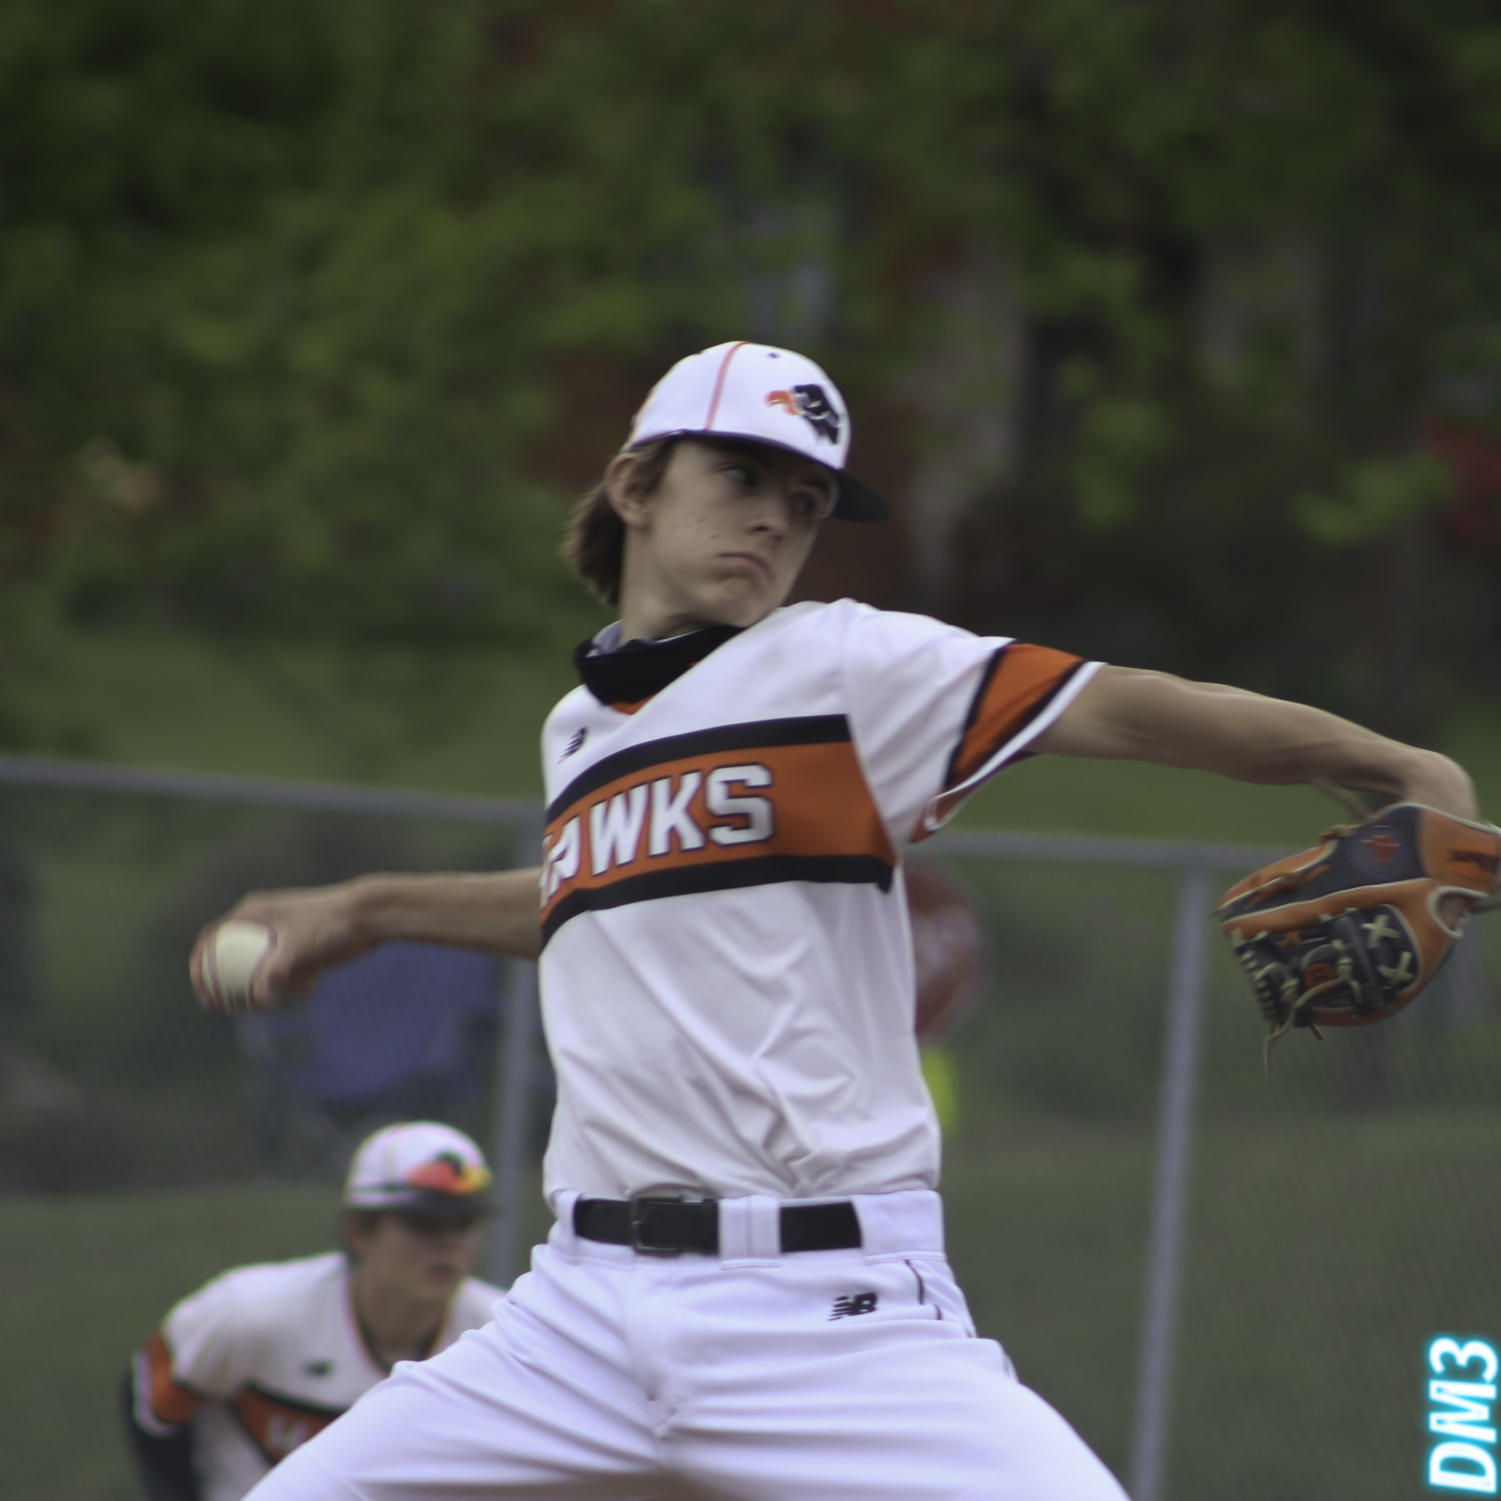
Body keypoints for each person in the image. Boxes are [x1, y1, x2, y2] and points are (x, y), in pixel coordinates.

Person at [190, 340, 1486, 1500]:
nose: (773, 519)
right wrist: (370, 906)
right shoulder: (581, 728)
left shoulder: (846, 666)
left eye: (802, 502)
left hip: (830, 1309)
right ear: (636, 484)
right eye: (741, 476)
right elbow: (599, 902)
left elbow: (1133, 706)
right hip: (577, 1314)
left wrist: (1397, 768)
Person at [122, 1120, 505, 1501]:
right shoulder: (252, 1314)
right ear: (359, 1232)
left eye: (465, 1223)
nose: (449, 1244)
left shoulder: (503, 1339)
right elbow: (152, 1397)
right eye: (423, 1224)